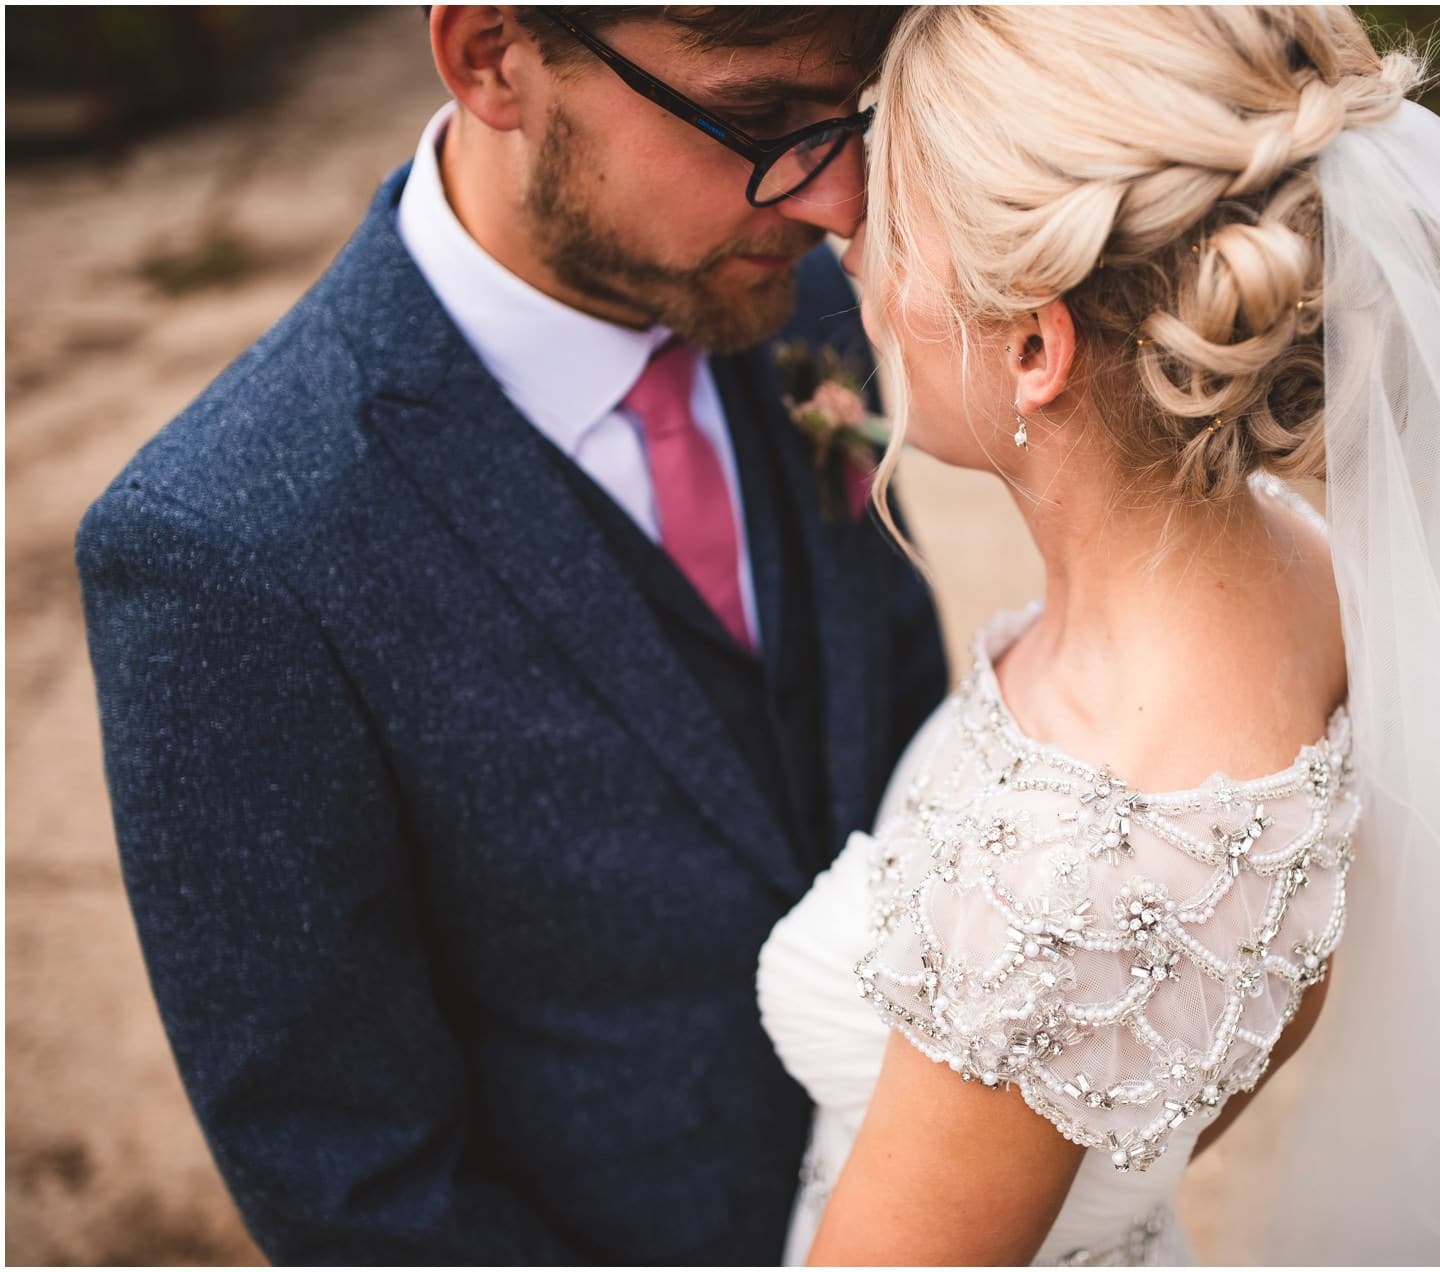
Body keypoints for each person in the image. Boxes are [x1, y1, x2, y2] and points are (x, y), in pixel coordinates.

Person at [756, 6, 1440, 1265]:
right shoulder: (1306, 575)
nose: (839, 233)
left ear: (1035, 345)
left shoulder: (1075, 875)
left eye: (891, 215)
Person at [76, 5, 943, 1263]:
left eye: (852, 115)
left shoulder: (801, 298)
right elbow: (352, 1180)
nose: (836, 198)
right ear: (492, 56)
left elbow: (898, 704)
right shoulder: (224, 546)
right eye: (759, 121)